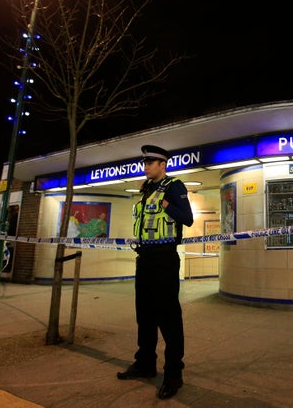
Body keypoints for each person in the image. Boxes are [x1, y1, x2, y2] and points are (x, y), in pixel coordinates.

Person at [117, 145, 194, 400]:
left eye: (150, 162)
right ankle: (145, 364)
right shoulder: (146, 189)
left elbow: (187, 218)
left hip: (164, 259)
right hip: (145, 259)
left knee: (169, 318)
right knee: (145, 315)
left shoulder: (174, 186)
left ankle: (174, 374)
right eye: (144, 162)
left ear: (163, 164)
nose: (146, 166)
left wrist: (166, 203)